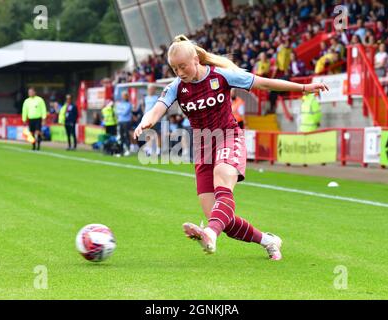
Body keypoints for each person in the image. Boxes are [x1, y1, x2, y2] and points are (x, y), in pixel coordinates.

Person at [134, 35, 328, 261]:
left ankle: (209, 234)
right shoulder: (176, 87)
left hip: (228, 137)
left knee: (221, 180)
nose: (179, 72)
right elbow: (157, 109)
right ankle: (268, 240)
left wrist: (304, 87)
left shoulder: (222, 75)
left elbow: (264, 83)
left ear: (196, 59)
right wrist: (145, 121)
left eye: (183, 66)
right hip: (203, 148)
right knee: (220, 218)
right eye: (175, 68)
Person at [141, 84, 161, 156]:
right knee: (148, 134)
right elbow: (143, 106)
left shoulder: (157, 97)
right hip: (147, 119)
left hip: (155, 118)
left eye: (153, 89)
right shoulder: (145, 98)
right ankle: (149, 150)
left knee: (157, 134)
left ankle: (158, 150)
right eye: (150, 89)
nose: (151, 90)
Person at [115, 91, 133, 156]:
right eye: (123, 95)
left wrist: (120, 111)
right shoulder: (119, 104)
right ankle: (121, 150)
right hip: (120, 121)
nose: (123, 97)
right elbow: (116, 111)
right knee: (121, 136)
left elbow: (125, 112)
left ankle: (128, 149)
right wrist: (121, 111)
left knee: (126, 135)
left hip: (126, 122)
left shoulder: (129, 104)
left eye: (125, 95)